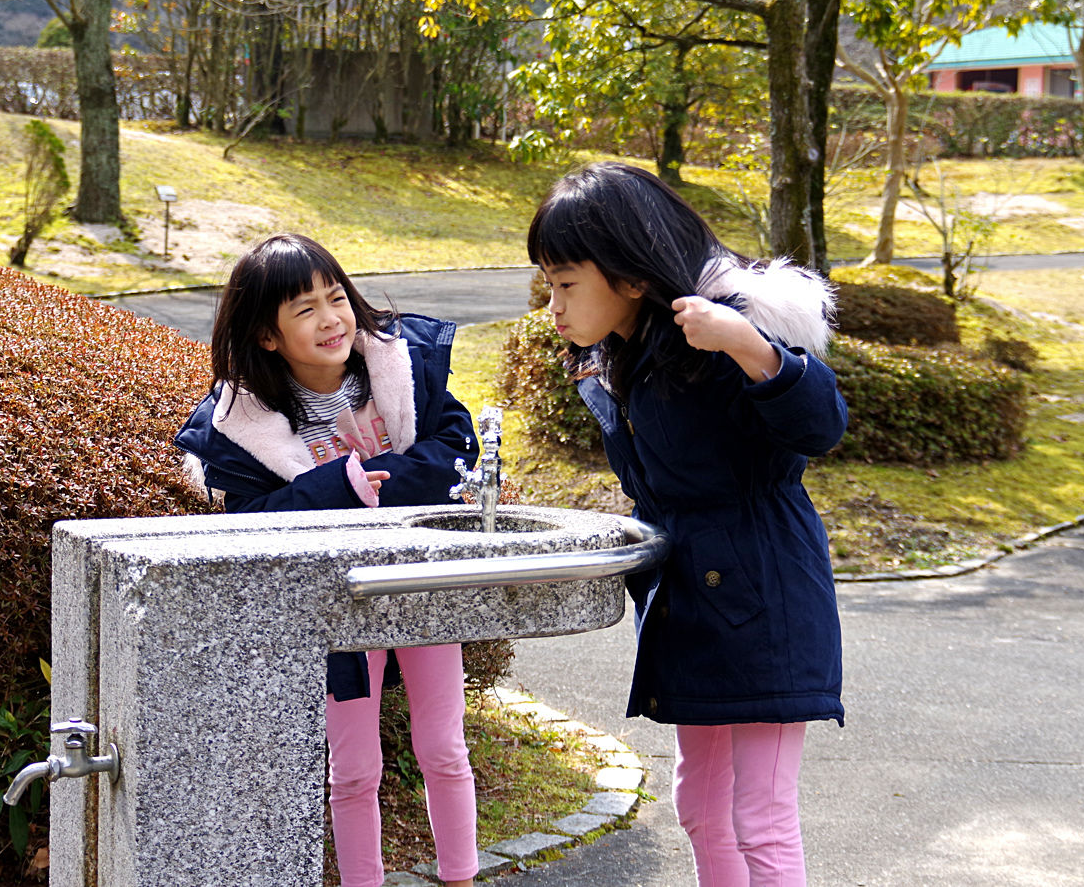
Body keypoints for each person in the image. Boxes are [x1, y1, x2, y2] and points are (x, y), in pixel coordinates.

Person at [527, 162, 849, 887]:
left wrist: (748, 345)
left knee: (758, 814)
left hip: (766, 605)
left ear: (631, 277)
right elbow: (658, 491)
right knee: (700, 804)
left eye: (566, 283)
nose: (553, 305)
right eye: (548, 284)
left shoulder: (723, 330)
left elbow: (821, 425)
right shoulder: (627, 359)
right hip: (692, 606)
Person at [175, 233, 481, 887]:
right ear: (266, 335)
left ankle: (462, 877)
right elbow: (251, 524)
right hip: (334, 607)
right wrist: (344, 485)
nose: (331, 318)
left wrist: (372, 477)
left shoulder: (403, 367)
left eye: (336, 297)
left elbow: (457, 451)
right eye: (305, 308)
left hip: (421, 584)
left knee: (444, 749)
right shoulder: (242, 422)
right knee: (354, 767)